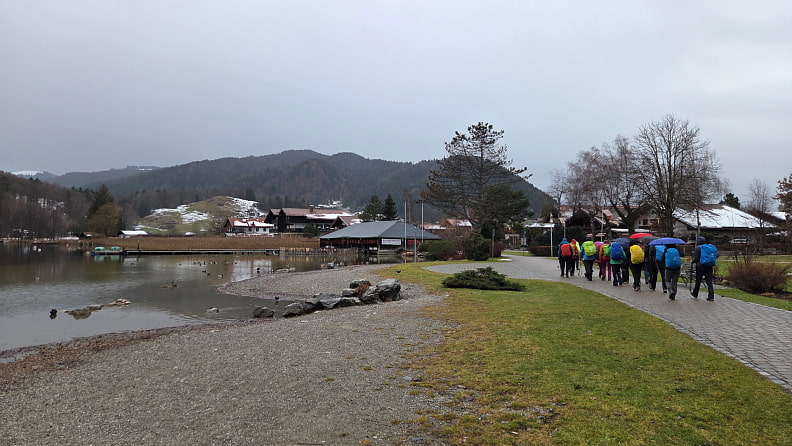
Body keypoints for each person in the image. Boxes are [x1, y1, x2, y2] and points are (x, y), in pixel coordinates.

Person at [692, 236, 718, 301]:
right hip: (709, 266)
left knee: (698, 280)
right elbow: (717, 254)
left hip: (700, 266)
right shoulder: (710, 247)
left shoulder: (698, 248)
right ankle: (711, 295)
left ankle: (695, 293)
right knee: (709, 281)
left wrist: (693, 261)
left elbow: (696, 258)